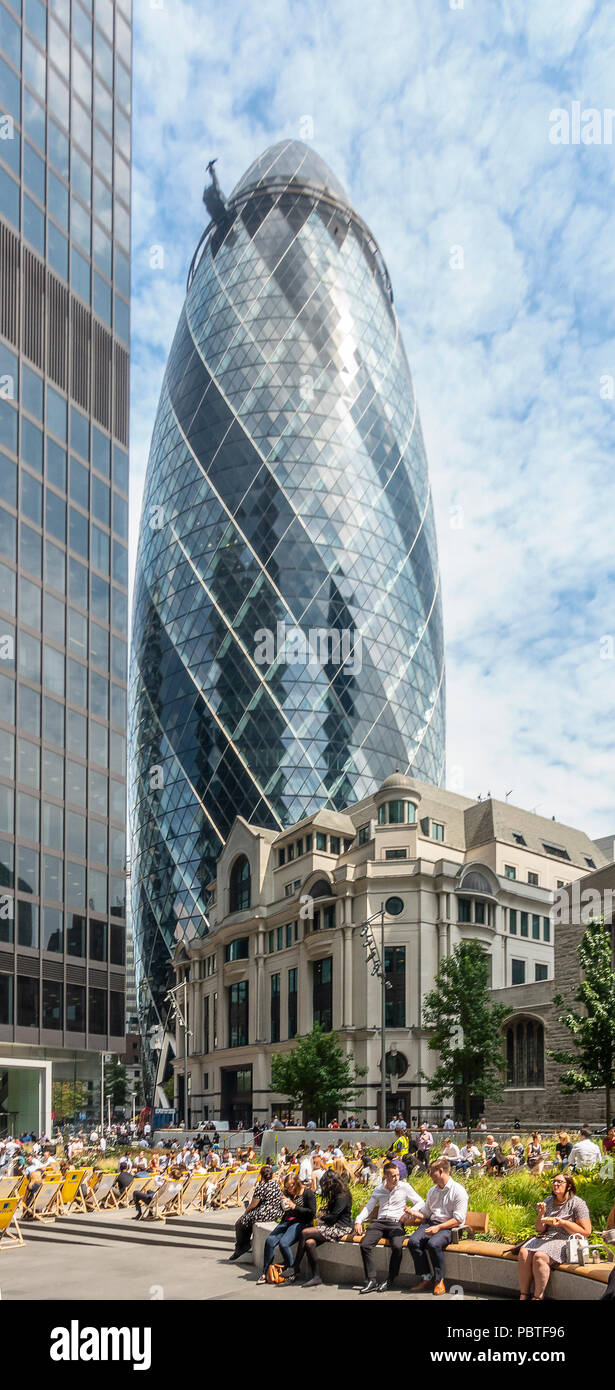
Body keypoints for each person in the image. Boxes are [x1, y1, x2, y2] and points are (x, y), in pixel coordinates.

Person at [518, 1174, 591, 1300]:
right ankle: (524, 1294)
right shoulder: (548, 1201)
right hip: (547, 1238)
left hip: (566, 1240)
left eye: (559, 1182)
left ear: (569, 1186)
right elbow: (539, 1228)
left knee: (540, 1256)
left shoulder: (578, 1204)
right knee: (523, 1252)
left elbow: (586, 1231)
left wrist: (563, 1223)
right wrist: (541, 1214)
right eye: (554, 1181)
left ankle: (537, 1296)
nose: (555, 1184)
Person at [354, 1161, 423, 1294]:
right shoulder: (379, 1189)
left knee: (397, 1247)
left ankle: (391, 1278)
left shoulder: (405, 1187)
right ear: (385, 1176)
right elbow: (369, 1207)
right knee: (365, 1245)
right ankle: (372, 1280)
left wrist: (408, 1213)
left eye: (397, 1175)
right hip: (379, 1223)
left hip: (395, 1223)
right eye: (393, 1176)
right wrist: (358, 1221)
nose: (396, 1178)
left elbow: (420, 1201)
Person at [406, 1158, 469, 1295]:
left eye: (431, 1173)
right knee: (413, 1242)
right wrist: (412, 1214)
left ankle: (439, 1280)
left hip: (449, 1227)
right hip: (432, 1223)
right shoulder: (432, 1191)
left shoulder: (458, 1191)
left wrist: (439, 1228)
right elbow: (427, 1214)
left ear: (441, 1171)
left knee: (433, 1244)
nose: (430, 1176)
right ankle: (427, 1277)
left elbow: (458, 1219)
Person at [292, 1171, 353, 1288]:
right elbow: (333, 1216)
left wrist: (322, 1216)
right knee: (309, 1243)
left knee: (305, 1232)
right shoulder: (338, 1193)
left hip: (341, 1228)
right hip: (333, 1226)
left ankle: (295, 1267)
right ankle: (316, 1276)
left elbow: (332, 1218)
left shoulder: (342, 1196)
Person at [256, 1174, 317, 1283]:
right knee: (270, 1241)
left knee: (284, 1243)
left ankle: (292, 1270)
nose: (289, 1190)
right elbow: (283, 1210)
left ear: (297, 1184)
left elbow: (312, 1213)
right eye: (287, 1187)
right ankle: (265, 1272)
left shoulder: (308, 1193)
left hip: (301, 1222)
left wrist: (295, 1207)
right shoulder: (287, 1193)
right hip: (287, 1221)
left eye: (290, 1187)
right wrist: (282, 1202)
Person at [230, 1165, 283, 1259]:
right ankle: (244, 1245)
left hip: (265, 1213)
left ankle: (241, 1247)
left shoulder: (261, 1186)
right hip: (276, 1212)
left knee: (240, 1223)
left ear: (261, 1175)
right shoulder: (276, 1185)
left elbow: (253, 1204)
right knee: (248, 1220)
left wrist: (246, 1212)